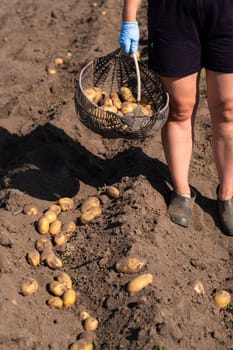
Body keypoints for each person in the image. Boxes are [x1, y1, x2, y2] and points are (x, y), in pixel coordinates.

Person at [119, 0, 233, 236]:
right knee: (179, 108)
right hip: (173, 12)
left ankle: (227, 194)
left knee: (228, 110)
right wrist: (129, 18)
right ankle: (181, 190)